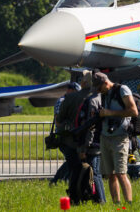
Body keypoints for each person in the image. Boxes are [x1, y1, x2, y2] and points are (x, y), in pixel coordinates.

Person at [93, 71, 138, 205]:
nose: (98, 91)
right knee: (110, 174)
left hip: (120, 137)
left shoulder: (122, 90)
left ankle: (129, 204)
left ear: (106, 83)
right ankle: (116, 204)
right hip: (105, 136)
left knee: (121, 173)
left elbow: (134, 111)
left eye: (99, 88)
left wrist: (110, 113)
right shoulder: (104, 94)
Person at [56, 70, 93, 203]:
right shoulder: (99, 97)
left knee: (74, 170)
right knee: (93, 172)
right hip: (93, 142)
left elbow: (59, 119)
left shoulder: (70, 98)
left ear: (82, 83)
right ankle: (93, 196)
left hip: (71, 141)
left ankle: (74, 197)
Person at [75, 81, 106, 203]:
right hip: (97, 142)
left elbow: (90, 126)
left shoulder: (92, 100)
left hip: (92, 144)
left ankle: (100, 200)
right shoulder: (100, 99)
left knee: (95, 173)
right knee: (94, 172)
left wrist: (85, 147)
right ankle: (96, 198)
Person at [50, 82, 81, 185]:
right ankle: (57, 180)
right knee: (71, 160)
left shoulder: (70, 100)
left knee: (72, 160)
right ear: (70, 90)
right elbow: (60, 119)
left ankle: (64, 180)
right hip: (63, 136)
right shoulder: (62, 101)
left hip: (69, 136)